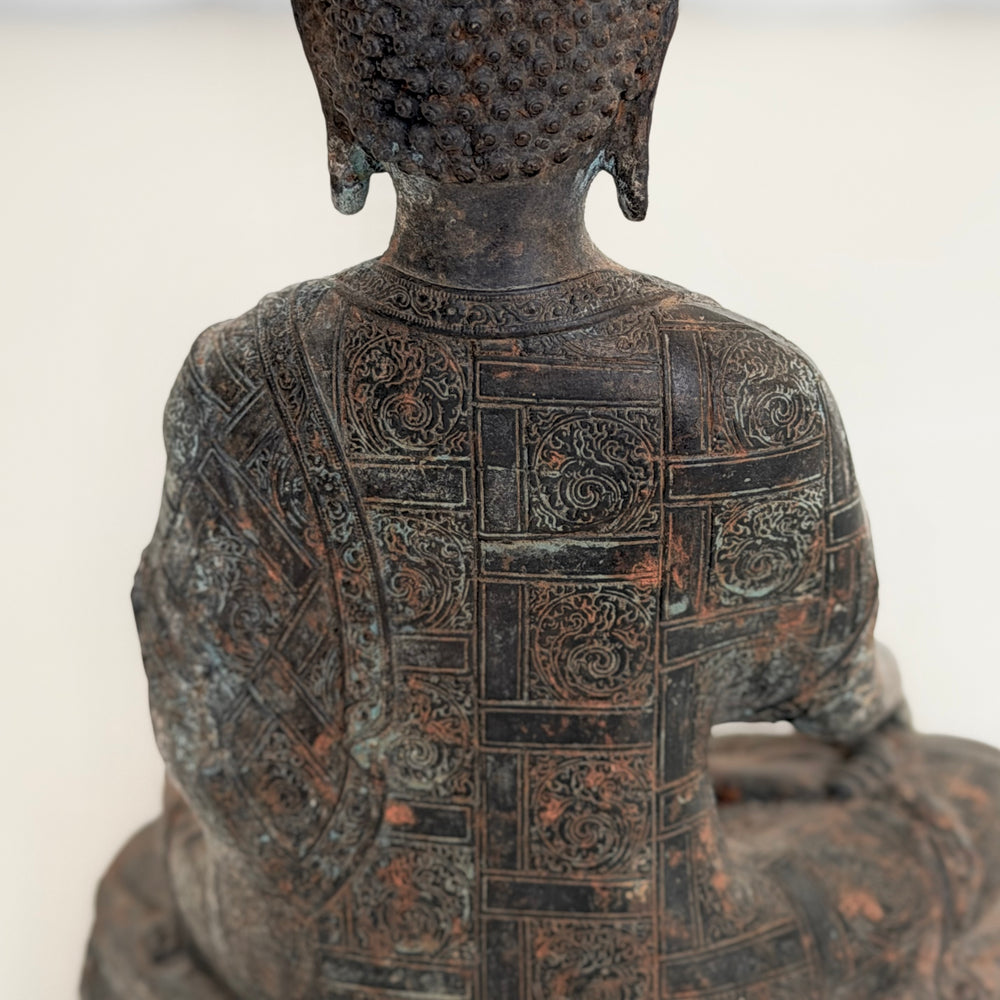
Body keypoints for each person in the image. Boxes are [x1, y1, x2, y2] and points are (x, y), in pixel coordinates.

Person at [83, 1, 1000, 997]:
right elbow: (833, 693)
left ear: (339, 97)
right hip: (635, 961)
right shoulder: (738, 385)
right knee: (967, 804)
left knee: (153, 856)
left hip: (304, 955)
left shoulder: (243, 371)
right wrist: (880, 716)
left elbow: (206, 721)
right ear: (631, 96)